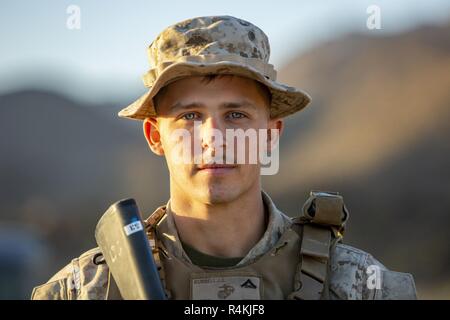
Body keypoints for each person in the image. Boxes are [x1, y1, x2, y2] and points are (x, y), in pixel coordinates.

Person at [31, 15, 417, 300]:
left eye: (236, 115)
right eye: (189, 117)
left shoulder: (361, 285)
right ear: (154, 136)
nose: (214, 139)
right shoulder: (82, 290)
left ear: (270, 134)